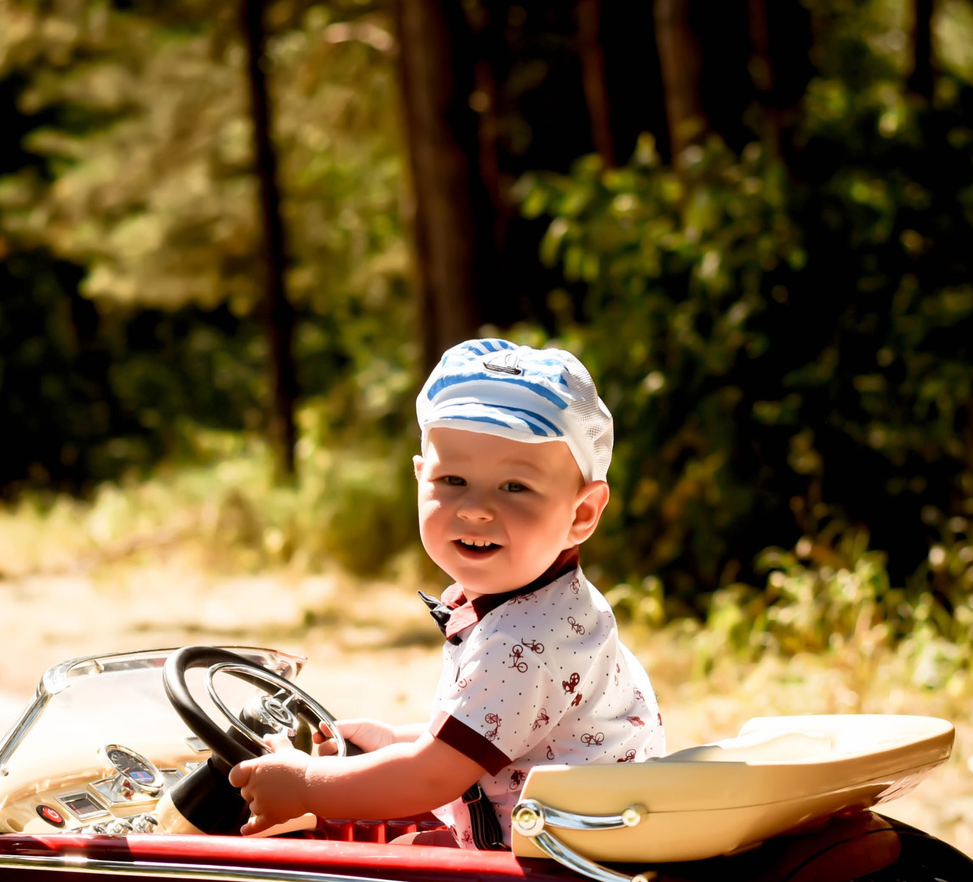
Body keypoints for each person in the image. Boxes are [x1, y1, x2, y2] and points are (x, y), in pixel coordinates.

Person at [228, 338, 665, 846]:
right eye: (452, 479)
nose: (475, 508)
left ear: (582, 513)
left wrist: (305, 785)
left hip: (541, 865)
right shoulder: (553, 604)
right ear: (420, 479)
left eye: (514, 487)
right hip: (558, 843)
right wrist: (397, 740)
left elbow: (431, 777)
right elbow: (496, 743)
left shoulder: (524, 642)